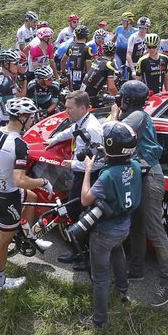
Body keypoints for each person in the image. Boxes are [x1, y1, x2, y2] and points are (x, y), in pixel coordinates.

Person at [0, 97, 54, 291]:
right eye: (30, 117)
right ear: (22, 117)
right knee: (3, 242)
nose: (32, 120)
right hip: (6, 196)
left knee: (32, 197)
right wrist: (43, 182)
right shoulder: (20, 144)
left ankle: (28, 234)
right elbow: (20, 180)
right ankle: (0, 282)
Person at [115, 81, 168, 307]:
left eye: (121, 97)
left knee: (154, 230)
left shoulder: (138, 116)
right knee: (136, 225)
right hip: (138, 176)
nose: (118, 100)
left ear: (129, 100)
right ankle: (136, 269)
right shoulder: (137, 114)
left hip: (149, 177)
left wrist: (114, 113)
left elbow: (114, 131)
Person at [78, 121, 142, 327]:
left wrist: (88, 169)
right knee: (118, 252)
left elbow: (85, 199)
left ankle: (99, 320)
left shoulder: (107, 176)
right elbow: (118, 160)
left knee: (101, 278)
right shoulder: (135, 166)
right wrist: (106, 151)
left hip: (105, 231)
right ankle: (123, 291)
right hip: (124, 225)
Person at [46, 90, 105, 271]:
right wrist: (53, 139)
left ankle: (85, 259)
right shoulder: (81, 121)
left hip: (89, 177)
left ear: (82, 108)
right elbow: (70, 132)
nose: (67, 112)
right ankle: (77, 253)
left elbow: (98, 163)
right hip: (80, 174)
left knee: (80, 216)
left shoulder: (92, 129)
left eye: (70, 109)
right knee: (73, 213)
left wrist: (72, 165)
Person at [0, 48, 24, 132]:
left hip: (10, 116)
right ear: (6, 65)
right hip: (5, 121)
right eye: (16, 63)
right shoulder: (2, 82)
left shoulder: (2, 72)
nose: (18, 66)